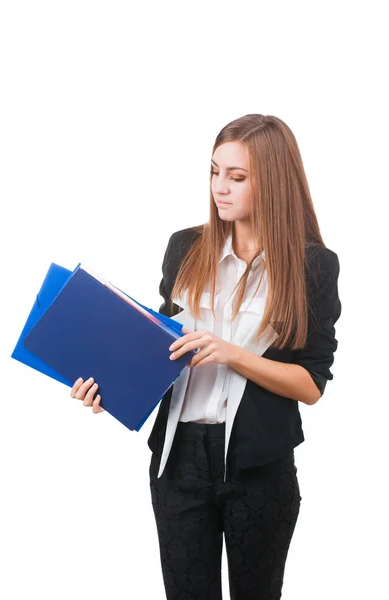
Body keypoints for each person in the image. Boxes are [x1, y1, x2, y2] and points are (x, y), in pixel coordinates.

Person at [70, 113, 342, 599]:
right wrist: (108, 387)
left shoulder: (311, 266)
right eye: (215, 171)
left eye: (236, 177)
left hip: (258, 466)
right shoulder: (185, 248)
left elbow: (311, 385)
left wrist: (232, 354)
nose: (220, 186)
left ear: (274, 181)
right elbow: (162, 349)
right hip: (178, 463)